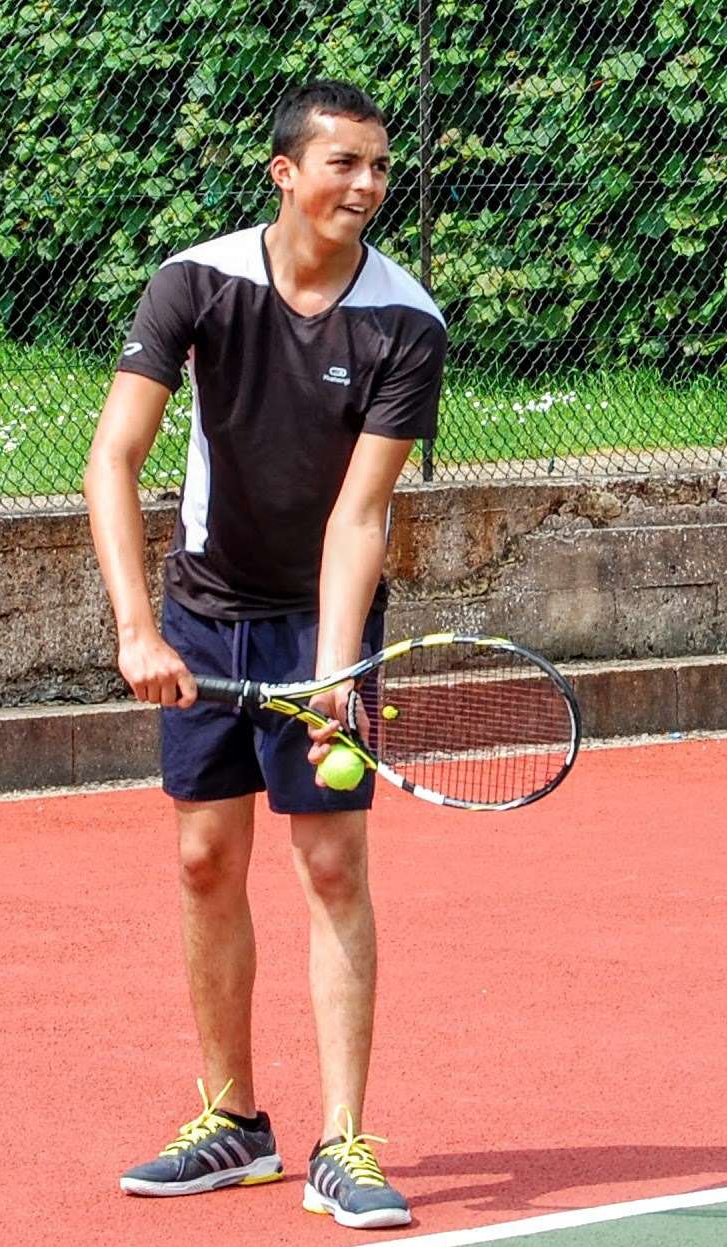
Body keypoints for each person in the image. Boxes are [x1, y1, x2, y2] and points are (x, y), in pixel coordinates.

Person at [84, 79, 446, 1231]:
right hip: (199, 605)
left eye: (379, 167)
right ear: (283, 173)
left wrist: (334, 675)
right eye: (342, 164)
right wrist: (137, 626)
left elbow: (358, 516)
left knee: (332, 863)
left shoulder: (404, 322)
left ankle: (343, 1140)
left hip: (313, 617)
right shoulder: (195, 284)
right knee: (202, 857)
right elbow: (113, 457)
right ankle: (235, 1121)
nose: (367, 186)